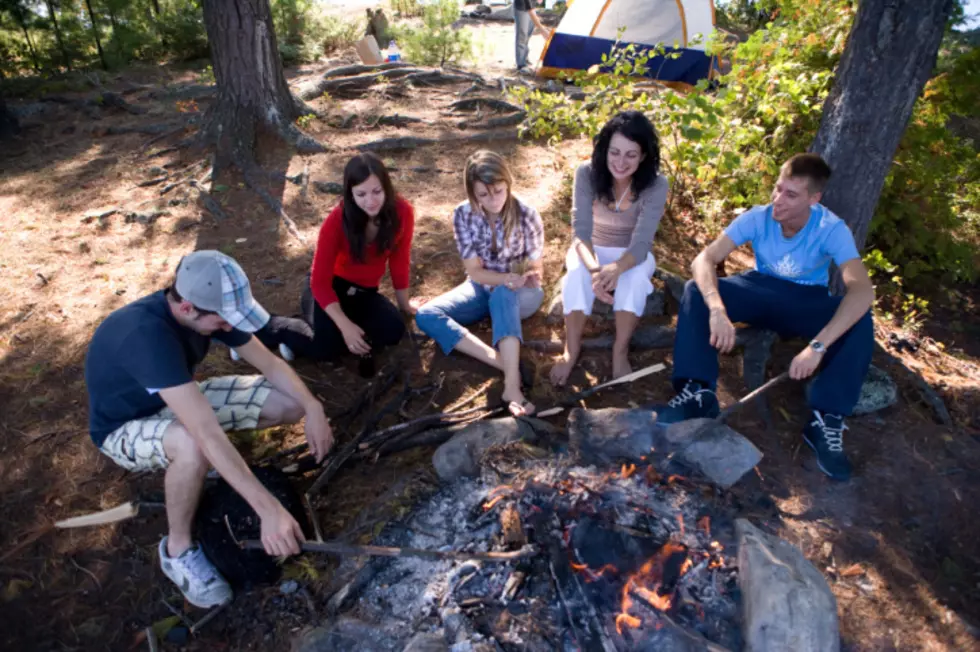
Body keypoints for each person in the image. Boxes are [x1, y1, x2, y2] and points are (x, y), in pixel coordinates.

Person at [84, 250, 334, 608]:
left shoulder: (209, 312)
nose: (231, 327)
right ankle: (178, 550)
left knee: (289, 403)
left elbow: (271, 364)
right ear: (187, 309)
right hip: (123, 427)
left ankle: (215, 469)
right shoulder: (145, 337)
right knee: (193, 445)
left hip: (176, 398)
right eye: (223, 321)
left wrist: (313, 407)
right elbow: (205, 432)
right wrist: (268, 509)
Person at [658, 153, 875, 481]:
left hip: (806, 301)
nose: (778, 200)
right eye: (777, 189)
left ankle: (825, 420)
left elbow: (862, 291)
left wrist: (818, 346)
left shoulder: (832, 228)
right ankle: (698, 393)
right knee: (695, 289)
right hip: (759, 290)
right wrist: (717, 310)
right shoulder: (758, 217)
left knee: (859, 318)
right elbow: (704, 260)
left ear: (813, 199)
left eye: (791, 195)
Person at [249, 154, 415, 368]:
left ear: (387, 187)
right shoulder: (336, 221)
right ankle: (270, 329)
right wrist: (345, 326)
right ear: (350, 194)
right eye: (361, 194)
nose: (371, 201)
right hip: (329, 288)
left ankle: (307, 333)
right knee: (326, 347)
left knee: (393, 330)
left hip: (363, 292)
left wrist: (405, 305)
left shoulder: (403, 212)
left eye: (377, 191)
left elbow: (399, 260)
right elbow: (319, 282)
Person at [415, 150, 545, 416]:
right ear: (472, 193)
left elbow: (536, 267)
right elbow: (474, 272)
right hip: (481, 288)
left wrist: (525, 276)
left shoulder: (527, 214)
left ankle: (512, 386)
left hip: (520, 294)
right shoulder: (463, 214)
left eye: (498, 191)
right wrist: (504, 278)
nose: (493, 200)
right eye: (483, 195)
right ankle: (502, 362)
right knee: (426, 314)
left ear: (508, 183)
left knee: (503, 296)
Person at [549, 111, 669, 386]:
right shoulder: (587, 173)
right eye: (614, 152)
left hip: (631, 254)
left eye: (631, 154)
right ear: (604, 150)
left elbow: (641, 243)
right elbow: (579, 233)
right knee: (576, 277)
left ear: (644, 156)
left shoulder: (656, 184)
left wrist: (617, 268)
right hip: (590, 250)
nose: (621, 162)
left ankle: (620, 349)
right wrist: (595, 271)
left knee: (636, 279)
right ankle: (571, 348)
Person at [514, 0, 552, 73]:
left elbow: (536, 5)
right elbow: (531, 11)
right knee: (522, 35)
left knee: (528, 34)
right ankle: (521, 64)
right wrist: (542, 30)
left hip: (531, 7)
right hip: (521, 8)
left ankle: (525, 58)